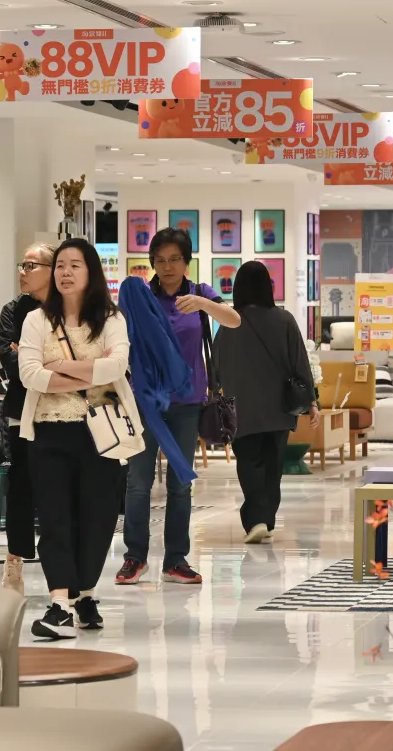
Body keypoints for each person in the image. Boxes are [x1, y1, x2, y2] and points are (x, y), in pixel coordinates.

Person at [18, 238, 142, 640]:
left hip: (100, 433)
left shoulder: (111, 319)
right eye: (60, 266)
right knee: (54, 519)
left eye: (75, 265)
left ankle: (85, 592)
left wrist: (63, 368)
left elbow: (117, 366)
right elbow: (30, 375)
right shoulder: (36, 320)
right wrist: (90, 371)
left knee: (98, 518)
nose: (65, 272)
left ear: (92, 272)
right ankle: (59, 605)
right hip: (49, 431)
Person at [116, 228, 241, 586]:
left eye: (174, 259)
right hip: (145, 403)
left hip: (187, 404)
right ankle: (134, 556)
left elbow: (234, 320)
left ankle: (176, 559)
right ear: (152, 263)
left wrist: (203, 305)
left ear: (187, 262)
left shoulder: (200, 293)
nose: (167, 267)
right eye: (160, 260)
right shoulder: (140, 297)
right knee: (138, 483)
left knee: (180, 484)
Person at [214, 261, 318, 544]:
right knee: (273, 467)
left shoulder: (228, 323)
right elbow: (300, 362)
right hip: (278, 409)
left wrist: (211, 395)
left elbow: (216, 367)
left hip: (242, 410)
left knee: (249, 464)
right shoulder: (283, 320)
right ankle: (265, 520)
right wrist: (311, 401)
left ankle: (256, 520)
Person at [0, 242, 55, 595]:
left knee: (56, 490)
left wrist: (35, 358)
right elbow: (13, 365)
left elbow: (74, 357)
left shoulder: (67, 309)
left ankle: (60, 570)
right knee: (21, 488)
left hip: (63, 411)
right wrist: (44, 363)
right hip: (21, 411)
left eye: (31, 265)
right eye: (22, 264)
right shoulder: (12, 310)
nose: (23, 271)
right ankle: (14, 562)